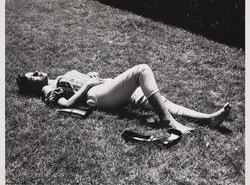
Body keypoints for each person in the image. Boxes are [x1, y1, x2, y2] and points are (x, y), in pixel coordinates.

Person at [16, 64, 231, 134]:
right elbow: (66, 104)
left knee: (159, 101)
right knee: (142, 70)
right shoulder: (47, 89)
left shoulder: (55, 79)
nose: (37, 73)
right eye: (32, 77)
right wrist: (88, 86)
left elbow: (75, 83)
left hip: (104, 87)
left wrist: (89, 77)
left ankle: (208, 119)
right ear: (32, 87)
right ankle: (167, 121)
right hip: (97, 95)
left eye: (34, 71)